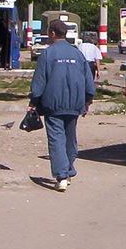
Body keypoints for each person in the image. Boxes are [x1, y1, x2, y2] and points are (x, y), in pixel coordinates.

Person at [29, 18, 94, 191]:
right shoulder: (77, 54)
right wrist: (87, 100)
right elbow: (89, 80)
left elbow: (39, 82)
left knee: (56, 138)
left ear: (51, 33)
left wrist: (33, 101)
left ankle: (62, 175)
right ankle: (69, 169)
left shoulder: (48, 54)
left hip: (53, 104)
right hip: (75, 104)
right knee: (70, 137)